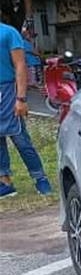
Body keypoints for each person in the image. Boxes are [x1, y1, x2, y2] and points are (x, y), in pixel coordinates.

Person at [0, 20, 51, 198]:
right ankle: (4, 181)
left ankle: (40, 178)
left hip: (8, 89)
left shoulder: (8, 33)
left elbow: (20, 65)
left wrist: (21, 98)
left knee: (20, 138)